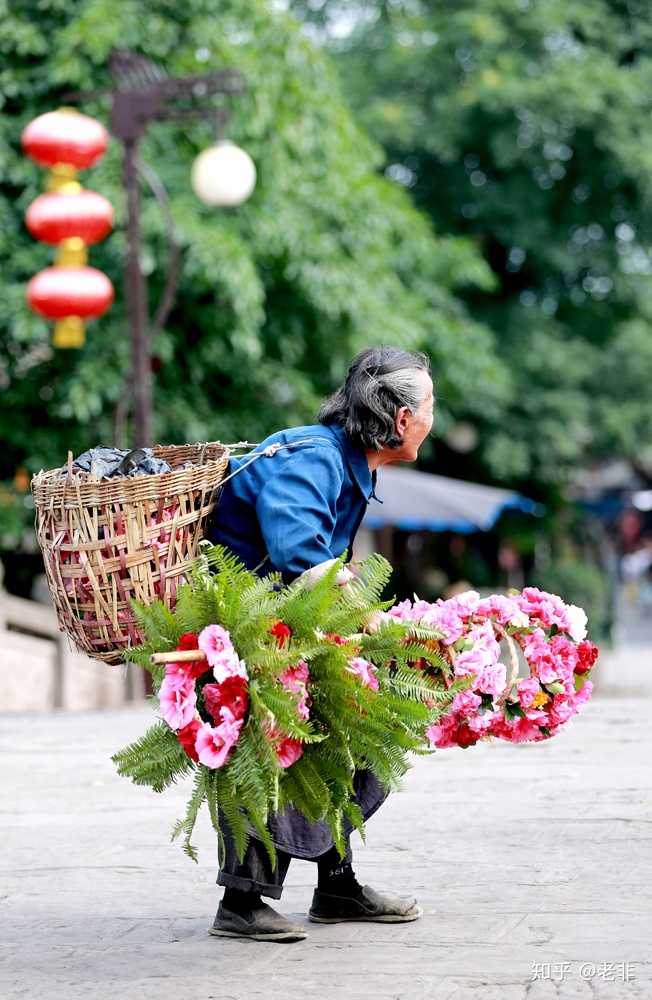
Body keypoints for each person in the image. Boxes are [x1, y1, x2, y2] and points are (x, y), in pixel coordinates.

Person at [204, 345, 435, 941]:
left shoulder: (351, 462)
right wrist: (368, 616)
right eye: (431, 406)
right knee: (269, 746)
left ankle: (336, 886)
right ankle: (241, 902)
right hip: (247, 626)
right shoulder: (315, 457)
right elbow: (296, 549)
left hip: (292, 620)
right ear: (403, 419)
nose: (435, 420)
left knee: (351, 725)